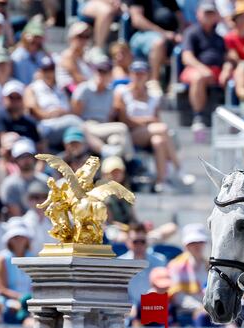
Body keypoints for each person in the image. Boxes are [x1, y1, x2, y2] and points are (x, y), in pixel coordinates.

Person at [114, 61, 180, 191]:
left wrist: (146, 121)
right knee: (163, 129)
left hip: (149, 135)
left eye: (142, 73)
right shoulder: (121, 91)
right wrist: (147, 120)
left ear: (147, 75)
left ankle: (161, 182)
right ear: (130, 74)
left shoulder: (153, 97)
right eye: (135, 73)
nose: (138, 76)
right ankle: (178, 166)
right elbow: (124, 120)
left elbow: (156, 120)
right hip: (129, 134)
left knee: (159, 140)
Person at [181, 1, 233, 131]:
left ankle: (231, 120)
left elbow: (227, 58)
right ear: (198, 14)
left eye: (211, 13)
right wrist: (202, 69)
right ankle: (198, 117)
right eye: (206, 13)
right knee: (198, 77)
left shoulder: (219, 37)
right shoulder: (191, 32)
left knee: (236, 78)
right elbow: (186, 57)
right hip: (195, 70)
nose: (209, 16)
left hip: (215, 71)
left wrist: (226, 70)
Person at [71, 56, 134, 161]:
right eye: (99, 72)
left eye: (104, 73)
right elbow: (76, 113)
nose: (101, 75)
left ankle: (115, 173)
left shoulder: (111, 92)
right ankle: (132, 161)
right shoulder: (84, 88)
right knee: (122, 128)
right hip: (87, 125)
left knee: (116, 140)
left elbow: (109, 116)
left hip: (103, 126)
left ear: (110, 75)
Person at [25, 56, 83, 150]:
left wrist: (62, 112)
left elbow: (72, 109)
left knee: (74, 132)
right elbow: (32, 111)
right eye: (45, 70)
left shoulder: (62, 88)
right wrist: (51, 114)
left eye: (51, 69)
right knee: (74, 122)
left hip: (65, 123)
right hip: (46, 126)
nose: (49, 73)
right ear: (40, 71)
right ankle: (101, 148)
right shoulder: (33, 88)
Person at [127, 0, 184, 89]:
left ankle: (174, 85)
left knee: (189, 45)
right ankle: (154, 82)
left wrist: (181, 33)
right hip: (143, 35)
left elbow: (179, 16)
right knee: (159, 42)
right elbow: (137, 20)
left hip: (171, 36)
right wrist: (164, 33)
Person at [168, 223, 210, 327]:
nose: (197, 245)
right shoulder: (175, 265)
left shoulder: (209, 266)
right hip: (186, 315)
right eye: (193, 242)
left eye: (200, 242)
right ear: (186, 245)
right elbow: (177, 297)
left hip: (208, 313)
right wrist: (199, 308)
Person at [120, 222, 168, 308]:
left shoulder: (160, 261)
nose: (139, 245)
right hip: (127, 313)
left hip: (154, 310)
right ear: (128, 242)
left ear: (147, 242)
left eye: (142, 241)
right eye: (135, 242)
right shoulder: (119, 264)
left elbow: (164, 291)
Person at [0, 217, 33, 323]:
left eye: (22, 236)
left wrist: (28, 299)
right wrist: (21, 298)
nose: (19, 240)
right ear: (9, 240)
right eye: (15, 237)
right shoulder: (2, 258)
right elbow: (1, 289)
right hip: (8, 302)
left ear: (27, 239)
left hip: (30, 302)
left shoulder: (33, 258)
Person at [0, 138, 46, 216]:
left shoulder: (45, 180)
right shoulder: (9, 184)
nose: (26, 160)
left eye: (28, 156)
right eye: (22, 157)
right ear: (15, 160)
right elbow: (16, 215)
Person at [0, 80, 42, 147]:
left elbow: (40, 145)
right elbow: (1, 143)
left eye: (18, 98)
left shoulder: (30, 121)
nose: (15, 101)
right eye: (11, 97)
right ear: (4, 98)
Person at [55, 21, 93, 92]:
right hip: (70, 94)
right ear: (72, 37)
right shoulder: (68, 55)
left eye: (86, 36)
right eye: (80, 36)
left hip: (83, 92)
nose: (83, 40)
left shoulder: (85, 55)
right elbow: (77, 78)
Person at [10, 17, 46, 86]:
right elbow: (25, 84)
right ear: (24, 36)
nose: (36, 40)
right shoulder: (18, 57)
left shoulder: (40, 54)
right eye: (34, 36)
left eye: (39, 37)